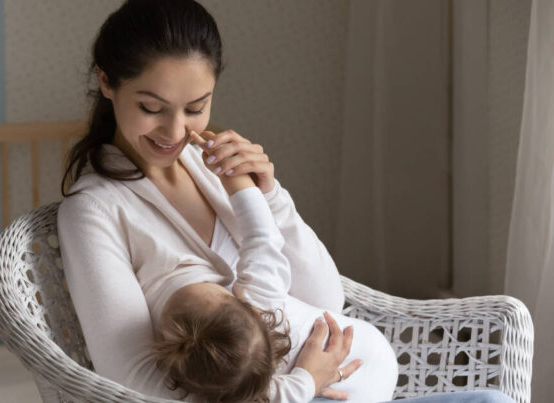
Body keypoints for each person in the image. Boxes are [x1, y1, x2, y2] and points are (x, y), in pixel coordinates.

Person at [56, 0, 516, 402]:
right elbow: (134, 384)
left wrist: (269, 195)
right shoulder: (93, 211)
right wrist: (296, 387)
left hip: (338, 385)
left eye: (195, 108)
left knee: (494, 400)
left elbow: (325, 296)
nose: (176, 132)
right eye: (152, 108)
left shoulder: (211, 168)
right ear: (107, 82)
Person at [152, 137, 394, 402]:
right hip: (364, 363)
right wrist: (236, 180)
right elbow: (261, 234)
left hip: (364, 364)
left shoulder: (231, 381)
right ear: (251, 310)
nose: (198, 281)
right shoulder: (262, 300)